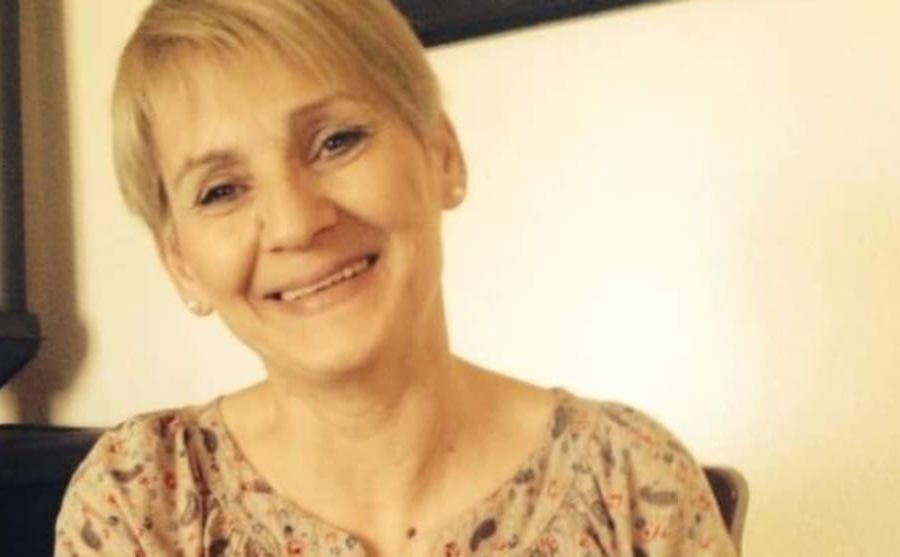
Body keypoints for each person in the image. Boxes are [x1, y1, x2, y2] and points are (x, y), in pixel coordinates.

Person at [54, 1, 738, 556]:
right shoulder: (140, 501)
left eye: (336, 141)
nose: (295, 222)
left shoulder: (631, 482)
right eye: (221, 190)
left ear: (443, 155)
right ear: (180, 263)